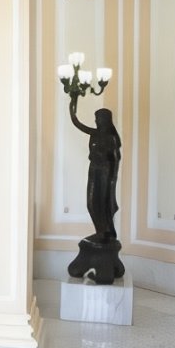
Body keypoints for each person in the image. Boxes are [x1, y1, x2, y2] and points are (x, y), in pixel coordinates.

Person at [69, 98, 121, 241]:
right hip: (93, 169)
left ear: (105, 120)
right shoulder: (95, 133)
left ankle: (105, 232)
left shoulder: (111, 138)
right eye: (96, 118)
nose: (96, 121)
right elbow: (78, 124)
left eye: (98, 118)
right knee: (91, 202)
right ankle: (100, 230)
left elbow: (115, 159)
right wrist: (72, 107)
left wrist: (111, 179)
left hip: (105, 172)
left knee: (102, 202)